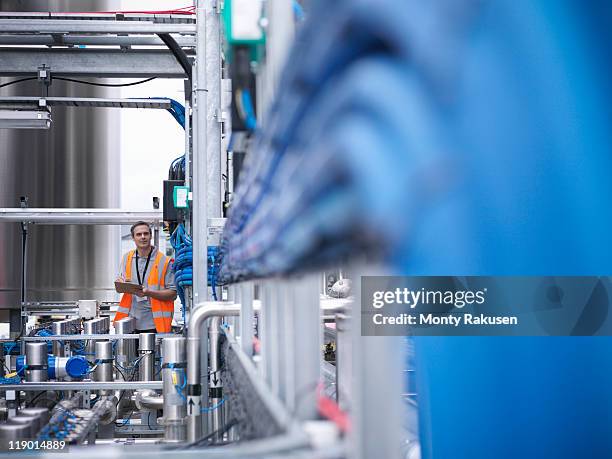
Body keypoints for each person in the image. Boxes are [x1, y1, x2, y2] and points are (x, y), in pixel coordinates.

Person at [113, 221, 177, 334]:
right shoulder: (127, 258)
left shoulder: (165, 261)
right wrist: (121, 284)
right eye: (138, 234)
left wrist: (149, 293)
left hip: (156, 325)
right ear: (133, 237)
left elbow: (173, 294)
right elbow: (121, 282)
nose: (143, 237)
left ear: (151, 236)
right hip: (130, 323)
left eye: (146, 233)